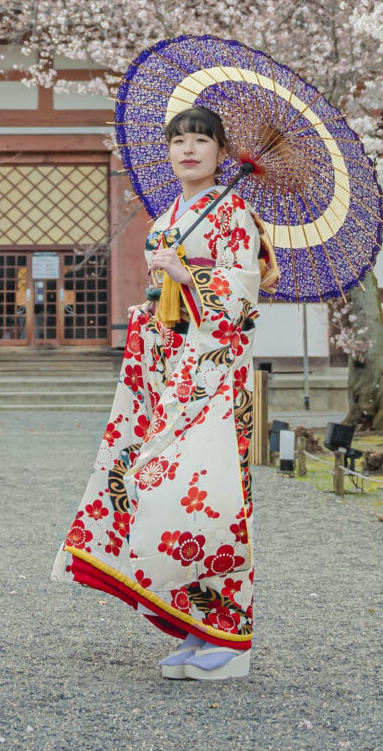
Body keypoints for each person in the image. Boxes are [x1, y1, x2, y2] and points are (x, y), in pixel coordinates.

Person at [54, 103, 262, 680]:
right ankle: (195, 625)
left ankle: (232, 637)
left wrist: (186, 276)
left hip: (214, 378)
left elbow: (240, 300)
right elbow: (162, 297)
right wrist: (148, 310)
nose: (188, 149)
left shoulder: (235, 213)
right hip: (168, 373)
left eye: (201, 140)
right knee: (166, 495)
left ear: (222, 153)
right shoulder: (169, 214)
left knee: (212, 496)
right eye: (178, 140)